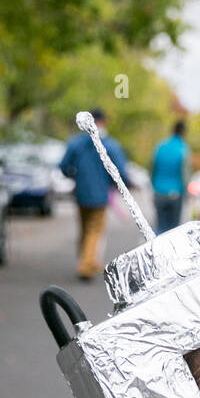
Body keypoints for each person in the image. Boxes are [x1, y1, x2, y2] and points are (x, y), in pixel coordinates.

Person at [60, 108, 131, 281]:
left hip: (81, 193)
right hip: (100, 195)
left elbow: (63, 166)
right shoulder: (110, 144)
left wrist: (74, 175)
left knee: (85, 228)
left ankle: (87, 259)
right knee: (95, 230)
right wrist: (123, 185)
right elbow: (120, 170)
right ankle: (86, 265)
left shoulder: (76, 143)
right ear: (103, 121)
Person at [151, 119, 191, 234]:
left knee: (160, 228)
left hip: (159, 192)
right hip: (176, 194)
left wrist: (154, 187)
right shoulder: (183, 148)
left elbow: (152, 168)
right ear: (183, 132)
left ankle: (158, 251)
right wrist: (186, 194)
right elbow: (185, 174)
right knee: (173, 231)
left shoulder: (160, 146)